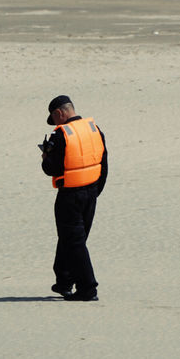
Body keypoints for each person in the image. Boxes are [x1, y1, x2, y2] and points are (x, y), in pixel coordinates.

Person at [40, 95, 107, 301]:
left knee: (74, 241)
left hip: (70, 196)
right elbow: (104, 165)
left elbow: (51, 169)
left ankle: (88, 288)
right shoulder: (95, 130)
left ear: (59, 113)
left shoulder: (60, 136)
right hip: (91, 192)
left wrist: (45, 158)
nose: (56, 123)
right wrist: (95, 191)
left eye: (55, 118)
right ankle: (64, 280)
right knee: (72, 239)